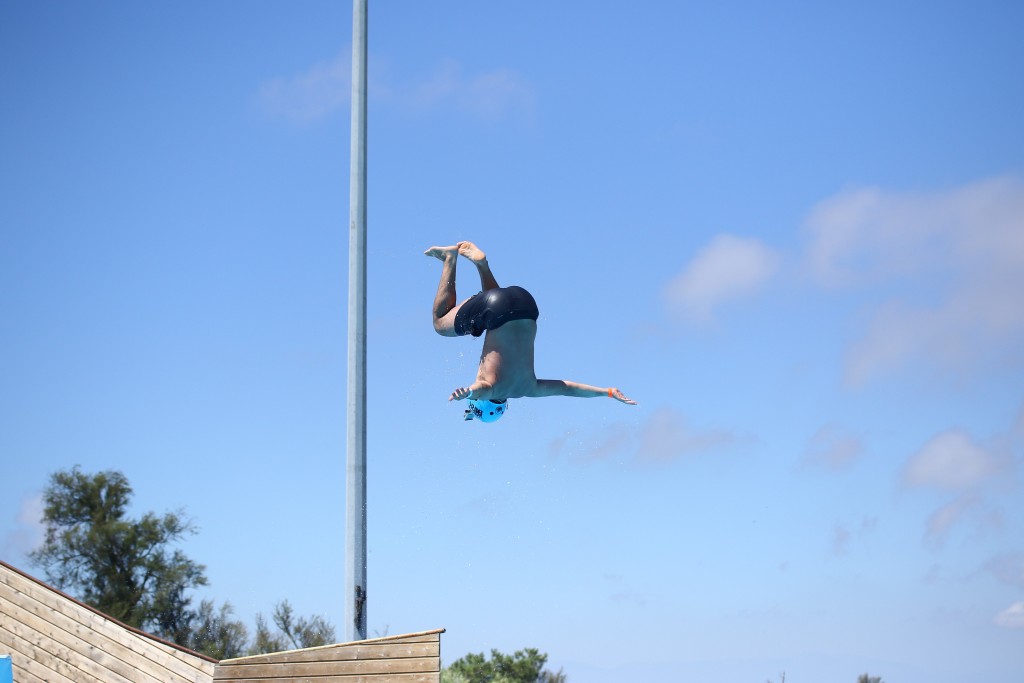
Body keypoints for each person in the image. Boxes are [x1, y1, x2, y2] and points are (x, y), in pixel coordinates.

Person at [425, 241, 637, 422]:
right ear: (482, 403)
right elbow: (481, 390)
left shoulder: (529, 389)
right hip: (498, 308)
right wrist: (468, 392)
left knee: (494, 312)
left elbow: (568, 388)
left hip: (527, 305)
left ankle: (482, 264)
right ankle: (449, 259)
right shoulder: (492, 389)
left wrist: (607, 392)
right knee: (439, 324)